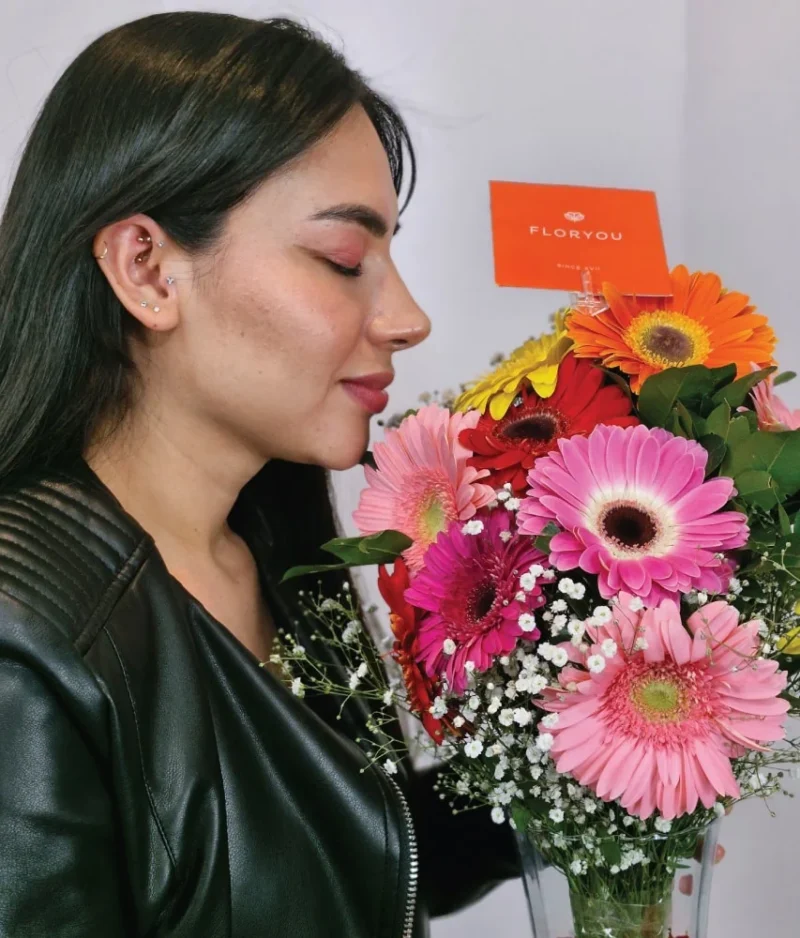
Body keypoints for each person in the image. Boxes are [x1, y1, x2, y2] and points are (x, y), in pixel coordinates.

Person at [0, 12, 520, 938]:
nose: (407, 318)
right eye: (344, 259)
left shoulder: (280, 551)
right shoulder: (25, 643)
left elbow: (336, 859)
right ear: (147, 269)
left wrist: (589, 765)